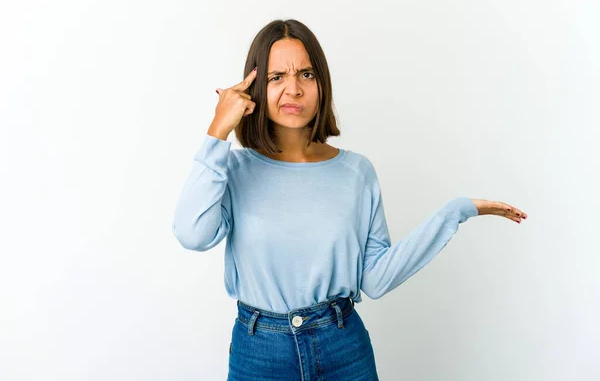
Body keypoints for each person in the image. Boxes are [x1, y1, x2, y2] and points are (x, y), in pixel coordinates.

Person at [172, 19, 527, 381]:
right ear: (255, 89)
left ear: (322, 85)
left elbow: (375, 279)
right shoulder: (232, 169)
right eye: (276, 77)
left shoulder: (356, 172)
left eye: (306, 75)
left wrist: (456, 212)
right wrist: (218, 131)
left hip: (343, 348)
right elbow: (192, 234)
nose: (293, 89)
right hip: (260, 352)